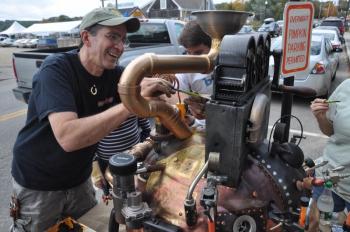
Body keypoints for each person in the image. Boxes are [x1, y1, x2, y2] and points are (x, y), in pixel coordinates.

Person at [10, 7, 173, 232]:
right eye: (112, 36)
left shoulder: (114, 75)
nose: (120, 46)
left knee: (88, 226)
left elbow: (152, 93)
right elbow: (69, 137)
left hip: (79, 181)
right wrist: (131, 103)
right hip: (39, 184)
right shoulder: (57, 69)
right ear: (86, 37)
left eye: (123, 39)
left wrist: (175, 101)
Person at [307, 79, 350, 231]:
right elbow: (330, 131)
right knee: (315, 225)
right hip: (329, 180)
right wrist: (321, 116)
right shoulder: (346, 86)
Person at [175, 20, 212, 124]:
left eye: (198, 53)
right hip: (200, 126)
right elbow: (178, 95)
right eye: (188, 52)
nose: (192, 59)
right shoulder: (185, 67)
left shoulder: (228, 63)